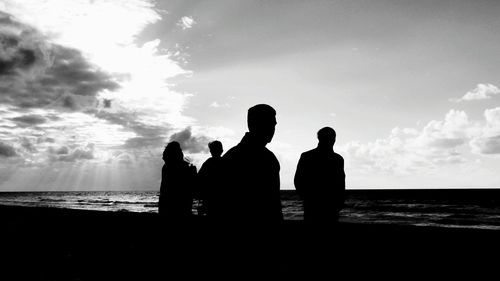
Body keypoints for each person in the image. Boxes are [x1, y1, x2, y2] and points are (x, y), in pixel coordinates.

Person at [213, 104, 283, 223]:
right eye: (269, 123)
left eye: (274, 124)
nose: (273, 128)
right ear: (255, 124)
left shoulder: (231, 156)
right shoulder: (234, 158)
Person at [294, 127, 346, 224]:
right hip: (322, 206)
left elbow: (298, 181)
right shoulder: (337, 159)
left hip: (322, 206)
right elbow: (340, 183)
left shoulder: (307, 156)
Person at [158, 141, 197, 220]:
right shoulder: (183, 167)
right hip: (181, 204)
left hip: (165, 203)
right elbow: (190, 184)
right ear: (177, 153)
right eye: (180, 150)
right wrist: (193, 171)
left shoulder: (166, 166)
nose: (181, 152)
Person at [196, 140, 224, 217]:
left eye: (212, 150)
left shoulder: (208, 163)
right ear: (221, 150)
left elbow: (199, 178)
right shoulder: (226, 163)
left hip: (209, 199)